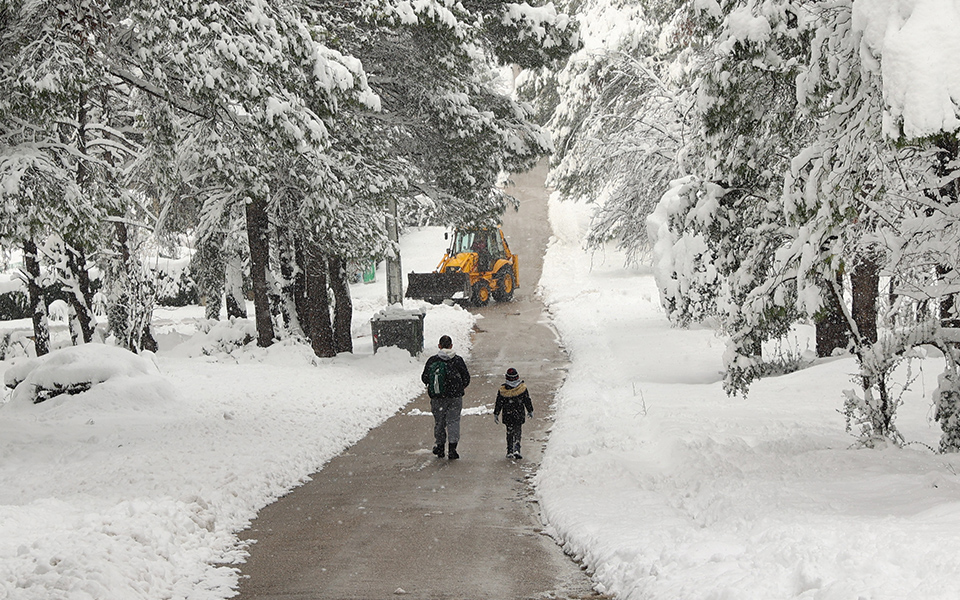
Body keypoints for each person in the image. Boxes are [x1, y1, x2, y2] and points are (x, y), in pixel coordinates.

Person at [421, 335, 471, 459]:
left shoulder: (433, 360)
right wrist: (459, 388)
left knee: (439, 422)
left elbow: (425, 378)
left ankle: (440, 447)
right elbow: (466, 378)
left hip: (437, 397)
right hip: (455, 397)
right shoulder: (457, 360)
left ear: (439, 346)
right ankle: (452, 449)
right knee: (453, 421)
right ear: (451, 346)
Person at [493, 367, 534, 459]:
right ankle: (517, 448)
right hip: (519, 414)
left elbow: (499, 402)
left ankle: (510, 450)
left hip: (508, 414)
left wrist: (496, 413)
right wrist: (530, 410)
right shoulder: (522, 388)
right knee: (518, 431)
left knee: (509, 432)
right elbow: (527, 400)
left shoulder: (503, 390)